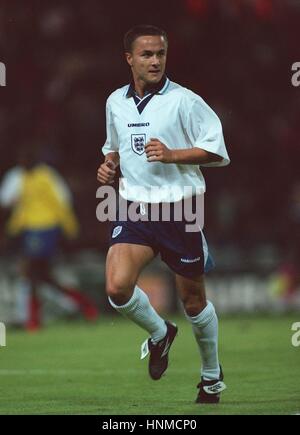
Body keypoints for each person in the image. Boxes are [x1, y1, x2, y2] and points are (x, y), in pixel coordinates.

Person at [97, 25, 230, 404]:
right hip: (134, 207)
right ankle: (160, 333)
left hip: (181, 207)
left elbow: (217, 151)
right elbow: (113, 149)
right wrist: (108, 166)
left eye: (160, 54)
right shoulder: (115, 102)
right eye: (146, 54)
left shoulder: (184, 101)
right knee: (117, 288)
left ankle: (210, 376)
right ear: (129, 59)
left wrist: (173, 154)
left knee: (192, 301)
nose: (155, 61)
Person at [0, 149, 99, 331]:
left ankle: (33, 321)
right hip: (32, 232)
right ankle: (86, 306)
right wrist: (11, 230)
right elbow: (23, 210)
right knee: (43, 276)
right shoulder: (25, 179)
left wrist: (70, 227)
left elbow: (61, 203)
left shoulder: (46, 177)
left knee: (31, 273)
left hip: (44, 230)